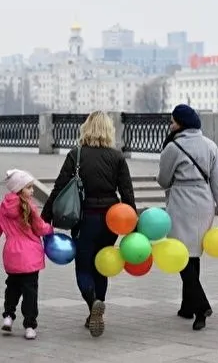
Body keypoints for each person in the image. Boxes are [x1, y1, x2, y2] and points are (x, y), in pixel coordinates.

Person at [41, 111, 136, 338]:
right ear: (108, 131)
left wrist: (45, 217)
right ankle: (97, 310)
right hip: (111, 221)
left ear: (86, 128)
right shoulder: (117, 157)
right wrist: (133, 224)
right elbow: (127, 194)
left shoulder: (77, 154)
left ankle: (93, 302)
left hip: (85, 219)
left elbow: (59, 187)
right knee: (102, 265)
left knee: (84, 267)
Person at [156, 104, 218, 331]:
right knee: (194, 254)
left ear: (181, 123)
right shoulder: (210, 145)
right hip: (204, 202)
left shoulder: (173, 147)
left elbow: (163, 180)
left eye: (172, 121)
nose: (170, 125)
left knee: (181, 256)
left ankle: (201, 306)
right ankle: (186, 306)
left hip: (181, 202)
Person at [0, 169, 54, 340]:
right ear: (19, 190)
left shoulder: (2, 209)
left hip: (11, 256)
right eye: (29, 187)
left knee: (12, 287)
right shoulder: (29, 207)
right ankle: (29, 326)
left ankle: (8, 316)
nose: (32, 191)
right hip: (30, 257)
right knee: (30, 292)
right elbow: (41, 228)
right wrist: (51, 229)